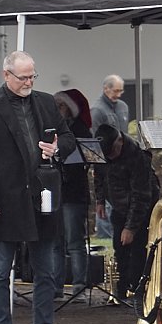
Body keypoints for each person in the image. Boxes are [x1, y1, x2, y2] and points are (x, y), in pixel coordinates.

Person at [0, 50, 77, 324]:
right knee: (0, 273)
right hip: (4, 200)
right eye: (23, 77)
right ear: (6, 75)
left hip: (42, 197)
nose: (28, 82)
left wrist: (57, 148)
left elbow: (69, 138)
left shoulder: (46, 102)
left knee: (46, 271)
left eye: (33, 76)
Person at [94, 124, 160, 303]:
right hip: (119, 206)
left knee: (138, 249)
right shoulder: (103, 153)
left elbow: (141, 196)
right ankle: (121, 290)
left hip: (141, 208)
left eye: (112, 152)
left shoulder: (138, 157)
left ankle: (137, 289)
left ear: (120, 141)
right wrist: (100, 200)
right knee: (119, 247)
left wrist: (130, 227)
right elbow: (98, 174)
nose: (110, 157)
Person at [53, 89, 93, 302]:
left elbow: (87, 158)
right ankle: (56, 286)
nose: (58, 109)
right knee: (55, 242)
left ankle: (79, 286)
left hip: (74, 192)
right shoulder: (52, 129)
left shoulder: (80, 130)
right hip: (55, 191)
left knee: (75, 241)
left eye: (61, 106)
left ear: (70, 109)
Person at [90, 74, 128, 239]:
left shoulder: (123, 107)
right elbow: (95, 141)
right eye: (115, 91)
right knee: (106, 199)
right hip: (106, 162)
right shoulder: (97, 110)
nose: (118, 94)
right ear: (106, 89)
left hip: (123, 161)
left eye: (121, 91)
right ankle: (105, 235)